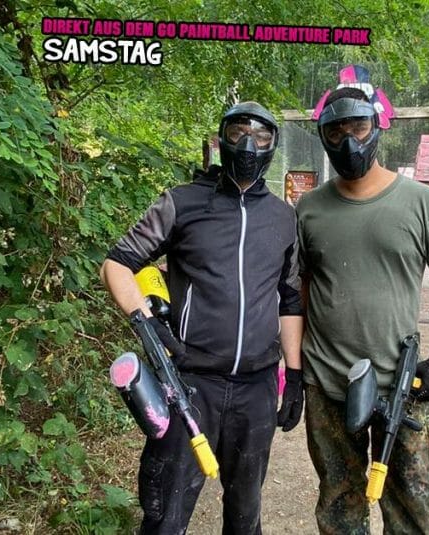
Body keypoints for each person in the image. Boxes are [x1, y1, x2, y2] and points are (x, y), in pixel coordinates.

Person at [100, 101, 305, 535]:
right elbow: (117, 264)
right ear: (220, 139)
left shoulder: (284, 218)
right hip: (190, 384)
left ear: (273, 145)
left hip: (257, 387)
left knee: (246, 512)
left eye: (261, 137)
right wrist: (147, 324)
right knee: (166, 513)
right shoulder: (182, 203)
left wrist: (294, 375)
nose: (248, 145)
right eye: (238, 133)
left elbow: (290, 300)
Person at [296, 87, 429, 534]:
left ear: (376, 129)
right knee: (339, 503)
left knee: (415, 507)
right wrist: (295, 368)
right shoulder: (308, 208)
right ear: (323, 137)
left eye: (358, 127)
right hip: (328, 380)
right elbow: (301, 286)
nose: (348, 141)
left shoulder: (421, 202)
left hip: (402, 382)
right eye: (335, 131)